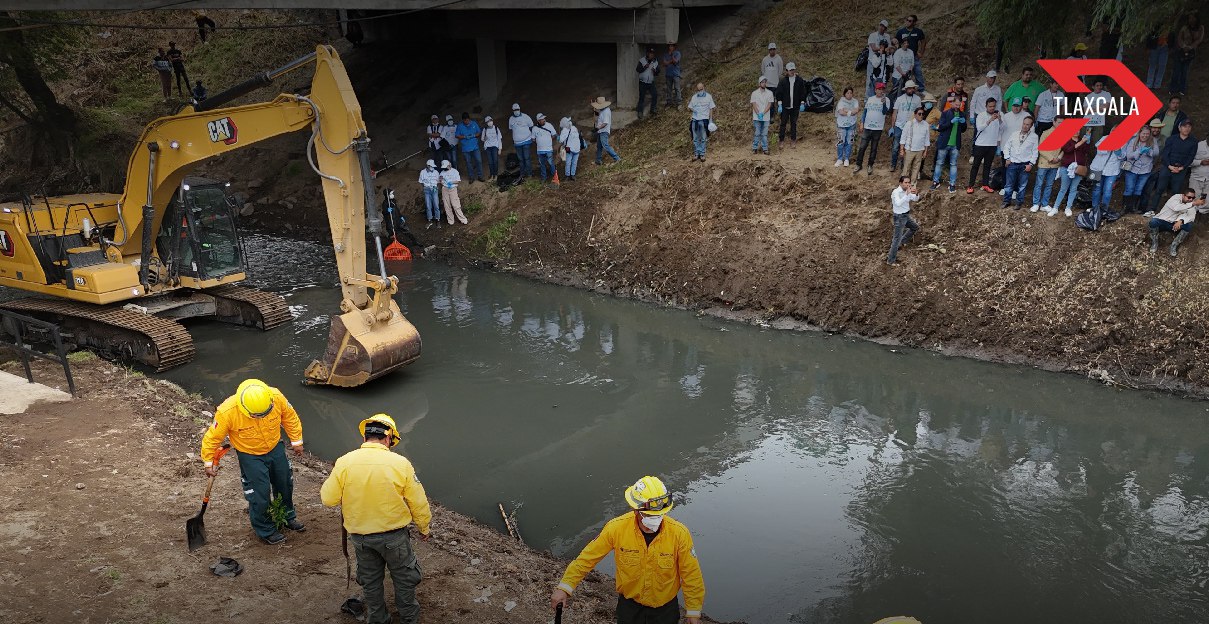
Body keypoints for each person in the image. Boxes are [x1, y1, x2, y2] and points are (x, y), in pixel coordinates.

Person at [321, 414, 431, 624]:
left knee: (370, 582)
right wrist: (424, 527)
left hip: (361, 538)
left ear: (365, 437)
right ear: (389, 439)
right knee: (404, 579)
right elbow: (418, 501)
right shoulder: (401, 463)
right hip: (394, 538)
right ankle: (409, 619)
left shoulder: (345, 462)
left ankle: (379, 619)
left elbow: (328, 499)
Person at [550, 476, 705, 624]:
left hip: (665, 611)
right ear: (635, 509)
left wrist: (693, 611)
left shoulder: (679, 534)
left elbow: (691, 574)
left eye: (659, 515)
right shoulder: (616, 528)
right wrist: (564, 587)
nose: (655, 521)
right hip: (629, 608)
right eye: (649, 516)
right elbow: (586, 559)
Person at [200, 379, 304, 545]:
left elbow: (290, 417)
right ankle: (265, 529)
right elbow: (212, 438)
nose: (261, 417)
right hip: (250, 455)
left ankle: (286, 516)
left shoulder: (276, 396)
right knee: (259, 493)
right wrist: (208, 461)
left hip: (275, 447)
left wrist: (297, 441)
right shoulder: (227, 411)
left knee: (284, 483)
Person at [1148, 119, 1198, 213]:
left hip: (1181, 170)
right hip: (1167, 168)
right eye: (1184, 126)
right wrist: (1169, 166)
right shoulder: (1171, 139)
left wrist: (1182, 167)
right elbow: (1165, 154)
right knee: (1159, 189)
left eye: (1189, 127)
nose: (1186, 129)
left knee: (1176, 192)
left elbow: (1191, 156)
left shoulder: (1193, 141)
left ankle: (1171, 212)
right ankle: (1152, 209)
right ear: (1179, 128)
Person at [1149, 190, 1203, 256]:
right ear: (1183, 195)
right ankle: (1154, 243)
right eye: (1189, 197)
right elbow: (1176, 208)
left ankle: (1174, 246)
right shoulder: (1175, 198)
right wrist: (1193, 203)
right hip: (1163, 222)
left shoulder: (1191, 203)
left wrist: (1180, 221)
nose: (1191, 199)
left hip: (1174, 226)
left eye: (1193, 198)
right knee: (1153, 221)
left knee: (1189, 226)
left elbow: (1191, 216)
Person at [1052, 131, 1093, 217]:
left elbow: (1086, 151)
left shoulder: (1082, 140)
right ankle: (1055, 208)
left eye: (1078, 129)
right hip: (1066, 168)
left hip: (1078, 168)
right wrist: (1081, 142)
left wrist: (1087, 142)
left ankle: (1068, 207)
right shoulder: (1066, 140)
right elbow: (1067, 150)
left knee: (1073, 189)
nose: (1077, 131)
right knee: (1063, 189)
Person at [1002, 115, 1038, 208]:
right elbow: (1007, 146)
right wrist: (1007, 158)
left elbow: (1035, 152)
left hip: (1025, 165)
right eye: (1024, 124)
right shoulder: (1014, 134)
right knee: (1009, 184)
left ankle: (1019, 203)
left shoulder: (1034, 137)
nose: (1025, 126)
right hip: (1012, 163)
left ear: (1031, 126)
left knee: (1022, 186)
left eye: (1028, 125)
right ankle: (1006, 201)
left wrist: (1031, 164)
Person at [854, 82, 890, 175]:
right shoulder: (870, 99)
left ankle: (870, 165)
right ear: (875, 90)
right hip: (867, 127)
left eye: (882, 89)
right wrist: (862, 123)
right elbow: (865, 112)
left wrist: (884, 103)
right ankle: (858, 164)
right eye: (879, 89)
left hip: (877, 129)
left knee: (874, 148)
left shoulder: (886, 100)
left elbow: (885, 112)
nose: (880, 91)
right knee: (862, 147)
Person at [1121, 125, 1159, 213]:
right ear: (1139, 133)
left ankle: (1133, 208)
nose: (1145, 135)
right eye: (1143, 133)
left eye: (1147, 134)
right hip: (1132, 169)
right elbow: (1129, 155)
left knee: (1138, 189)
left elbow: (1156, 153)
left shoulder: (1153, 140)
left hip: (1145, 170)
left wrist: (1149, 151)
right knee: (1129, 188)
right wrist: (1139, 152)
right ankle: (1125, 208)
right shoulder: (1133, 141)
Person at [930, 100, 966, 192]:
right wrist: (951, 122)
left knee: (953, 164)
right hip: (944, 142)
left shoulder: (962, 114)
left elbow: (963, 130)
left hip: (955, 144)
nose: (957, 106)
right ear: (951, 104)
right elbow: (941, 127)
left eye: (959, 105)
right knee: (939, 163)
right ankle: (935, 182)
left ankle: (952, 184)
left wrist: (963, 123)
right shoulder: (945, 113)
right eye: (956, 104)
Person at [968, 98, 1002, 193]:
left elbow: (1002, 129)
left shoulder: (999, 115)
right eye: (990, 106)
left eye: (993, 106)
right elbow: (979, 127)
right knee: (976, 165)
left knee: (987, 166)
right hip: (980, 144)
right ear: (986, 106)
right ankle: (970, 185)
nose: (992, 108)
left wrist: (1000, 120)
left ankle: (985, 184)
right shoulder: (981, 115)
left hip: (992, 145)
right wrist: (990, 120)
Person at [1032, 117, 1064, 214]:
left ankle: (1044, 204)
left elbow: (1065, 149)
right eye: (1059, 122)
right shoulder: (1046, 133)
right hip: (1044, 162)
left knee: (1049, 185)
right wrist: (1051, 158)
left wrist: (1059, 158)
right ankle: (1036, 203)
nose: (1060, 124)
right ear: (1054, 122)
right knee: (1039, 184)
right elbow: (1041, 148)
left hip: (1056, 164)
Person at [888, 80, 921, 172]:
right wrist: (892, 126)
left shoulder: (917, 99)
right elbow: (894, 113)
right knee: (895, 147)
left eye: (912, 88)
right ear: (906, 89)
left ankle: (903, 165)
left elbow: (919, 113)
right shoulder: (900, 99)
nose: (911, 90)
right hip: (899, 126)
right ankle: (893, 164)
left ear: (914, 89)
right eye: (909, 88)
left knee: (907, 147)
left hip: (911, 127)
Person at [1088, 132, 1124, 215]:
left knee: (1107, 191)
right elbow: (1098, 149)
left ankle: (1104, 210)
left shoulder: (1123, 141)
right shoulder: (1104, 138)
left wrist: (1119, 152)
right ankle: (1095, 208)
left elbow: (1123, 157)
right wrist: (1109, 146)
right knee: (1096, 189)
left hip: (1112, 171)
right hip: (1098, 169)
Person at [887, 175, 919, 265]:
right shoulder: (896, 192)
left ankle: (903, 241)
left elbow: (915, 199)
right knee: (896, 239)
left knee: (915, 227)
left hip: (906, 215)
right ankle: (890, 260)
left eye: (909, 182)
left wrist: (916, 193)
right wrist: (906, 194)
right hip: (899, 217)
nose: (908, 184)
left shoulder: (907, 191)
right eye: (906, 182)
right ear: (900, 183)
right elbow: (898, 203)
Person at [1171, 13, 1204, 96]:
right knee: (1177, 70)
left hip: (1191, 52)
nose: (1191, 20)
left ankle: (1182, 89)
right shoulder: (1185, 28)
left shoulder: (1200, 28)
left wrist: (1190, 47)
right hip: (1180, 51)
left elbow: (1199, 39)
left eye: (1193, 18)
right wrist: (1183, 46)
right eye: (1190, 18)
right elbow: (1179, 38)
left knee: (1185, 71)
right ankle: (1173, 88)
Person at [776, 62, 807, 146]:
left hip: (795, 106)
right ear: (787, 71)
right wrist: (779, 104)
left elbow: (803, 92)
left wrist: (802, 103)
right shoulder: (783, 81)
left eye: (793, 69)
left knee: (794, 123)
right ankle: (781, 140)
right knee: (783, 123)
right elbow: (779, 93)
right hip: (785, 106)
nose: (792, 71)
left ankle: (793, 139)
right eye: (790, 70)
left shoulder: (799, 80)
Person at [895, 14, 926, 90]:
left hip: (914, 56)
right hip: (903, 58)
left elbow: (923, 41)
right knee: (904, 75)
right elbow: (895, 40)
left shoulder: (918, 31)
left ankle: (921, 89)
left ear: (914, 22)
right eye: (907, 20)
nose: (907, 22)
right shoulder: (901, 31)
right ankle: (902, 89)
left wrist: (921, 52)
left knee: (918, 73)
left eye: (910, 21)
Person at [899, 106, 931, 180]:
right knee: (906, 168)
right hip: (909, 150)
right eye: (919, 114)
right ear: (915, 114)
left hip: (920, 150)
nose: (921, 116)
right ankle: (903, 186)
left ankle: (913, 184)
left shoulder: (926, 124)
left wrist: (925, 151)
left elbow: (927, 139)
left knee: (916, 169)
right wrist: (901, 149)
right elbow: (903, 137)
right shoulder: (909, 124)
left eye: (923, 114)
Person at [689, 83, 716, 162]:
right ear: (696, 90)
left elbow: (711, 108)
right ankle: (696, 153)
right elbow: (690, 107)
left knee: (703, 138)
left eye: (701, 89)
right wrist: (693, 110)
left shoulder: (708, 96)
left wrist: (710, 120)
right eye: (698, 90)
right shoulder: (694, 97)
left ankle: (702, 154)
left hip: (704, 120)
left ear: (704, 88)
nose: (700, 91)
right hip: (695, 120)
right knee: (695, 138)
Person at [508, 103, 536, 179]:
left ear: (520, 109)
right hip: (517, 143)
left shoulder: (526, 117)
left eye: (517, 109)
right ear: (512, 110)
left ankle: (529, 174)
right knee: (520, 159)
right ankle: (522, 174)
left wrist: (531, 137)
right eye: (515, 110)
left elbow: (531, 127)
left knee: (527, 158)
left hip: (526, 141)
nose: (516, 111)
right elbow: (512, 130)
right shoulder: (511, 119)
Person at [969, 70, 1001, 137]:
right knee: (977, 132)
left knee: (990, 132)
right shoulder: (979, 89)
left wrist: (998, 112)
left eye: (994, 78)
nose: (992, 80)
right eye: (990, 77)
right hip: (979, 114)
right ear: (987, 78)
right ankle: (975, 147)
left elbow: (999, 102)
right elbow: (973, 103)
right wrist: (971, 116)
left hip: (991, 114)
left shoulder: (997, 89)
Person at [835, 86, 861, 166]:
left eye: (851, 93)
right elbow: (840, 112)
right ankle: (839, 159)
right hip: (842, 124)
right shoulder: (841, 101)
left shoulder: (855, 101)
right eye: (847, 93)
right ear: (845, 94)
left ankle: (846, 159)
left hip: (851, 124)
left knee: (849, 142)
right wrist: (850, 112)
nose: (849, 94)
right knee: (841, 142)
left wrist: (846, 110)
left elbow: (856, 110)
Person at [455, 113, 484, 182]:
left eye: (467, 120)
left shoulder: (474, 123)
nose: (466, 122)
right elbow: (456, 135)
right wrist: (464, 137)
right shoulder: (460, 126)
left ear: (469, 119)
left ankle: (480, 176)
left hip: (475, 147)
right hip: (465, 148)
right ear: (463, 120)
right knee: (468, 163)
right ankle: (471, 177)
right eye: (465, 121)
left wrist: (473, 135)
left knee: (479, 161)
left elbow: (479, 132)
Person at [866, 20, 892, 97]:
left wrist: (888, 50)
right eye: (881, 25)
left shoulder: (887, 36)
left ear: (886, 29)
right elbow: (873, 48)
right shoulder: (872, 35)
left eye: (884, 27)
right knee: (870, 80)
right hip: (872, 60)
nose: (882, 27)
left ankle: (880, 98)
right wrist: (882, 49)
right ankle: (867, 98)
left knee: (883, 79)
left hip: (884, 61)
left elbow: (889, 47)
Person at [592, 96, 621, 164]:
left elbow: (605, 123)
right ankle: (598, 160)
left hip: (604, 131)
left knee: (605, 145)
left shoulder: (606, 112)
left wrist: (597, 128)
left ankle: (617, 158)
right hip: (600, 131)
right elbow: (601, 115)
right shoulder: (603, 110)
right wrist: (596, 113)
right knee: (599, 146)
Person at [751, 76, 775, 155]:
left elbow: (769, 104)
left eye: (765, 82)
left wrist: (763, 113)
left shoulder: (770, 93)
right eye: (762, 82)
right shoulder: (754, 93)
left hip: (766, 117)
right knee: (757, 133)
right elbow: (754, 104)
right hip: (757, 116)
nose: (764, 84)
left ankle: (765, 149)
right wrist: (758, 113)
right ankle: (754, 148)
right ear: (759, 83)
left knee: (764, 134)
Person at [439, 160, 468, 225]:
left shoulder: (455, 171)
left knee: (456, 205)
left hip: (453, 189)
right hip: (445, 189)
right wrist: (442, 181)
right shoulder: (442, 172)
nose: (445, 168)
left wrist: (451, 182)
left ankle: (463, 219)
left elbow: (458, 181)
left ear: (449, 165)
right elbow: (440, 180)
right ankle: (450, 220)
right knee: (447, 205)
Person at [1083, 80, 1111, 145]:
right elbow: (1086, 111)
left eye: (1100, 85)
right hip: (1088, 122)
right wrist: (1099, 107)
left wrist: (1092, 108)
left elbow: (1105, 108)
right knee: (1086, 141)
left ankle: (1095, 155)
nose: (1099, 87)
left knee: (1097, 142)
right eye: (1097, 86)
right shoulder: (1088, 96)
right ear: (1093, 87)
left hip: (1099, 123)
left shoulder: (1106, 94)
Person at [636, 48, 660, 120]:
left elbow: (658, 72)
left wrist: (655, 71)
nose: (651, 55)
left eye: (652, 54)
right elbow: (638, 69)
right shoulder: (642, 60)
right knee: (642, 97)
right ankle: (640, 112)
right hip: (642, 82)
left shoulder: (655, 62)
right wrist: (644, 67)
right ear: (647, 53)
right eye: (650, 53)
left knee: (655, 94)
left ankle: (653, 109)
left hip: (650, 82)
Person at [533, 113, 558, 181]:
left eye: (544, 118)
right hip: (540, 150)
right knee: (542, 164)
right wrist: (539, 141)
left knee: (551, 163)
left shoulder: (549, 125)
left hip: (548, 149)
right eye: (542, 119)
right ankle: (544, 177)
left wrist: (549, 139)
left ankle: (554, 176)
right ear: (538, 121)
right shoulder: (534, 128)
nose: (544, 120)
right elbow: (533, 138)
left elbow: (554, 134)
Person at [418, 159, 441, 226]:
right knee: (428, 205)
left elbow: (439, 181)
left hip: (434, 189)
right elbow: (421, 181)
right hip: (427, 190)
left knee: (436, 204)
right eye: (430, 166)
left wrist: (436, 187)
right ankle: (429, 220)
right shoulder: (422, 172)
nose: (432, 167)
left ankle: (438, 219)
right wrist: (425, 187)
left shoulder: (436, 172)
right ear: (427, 165)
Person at [662, 42, 682, 108]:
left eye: (672, 46)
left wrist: (671, 56)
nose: (670, 47)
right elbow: (664, 64)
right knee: (669, 89)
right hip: (668, 74)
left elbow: (675, 61)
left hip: (676, 74)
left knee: (677, 88)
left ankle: (679, 103)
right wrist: (670, 61)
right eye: (669, 46)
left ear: (674, 47)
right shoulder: (665, 54)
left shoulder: (677, 53)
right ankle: (669, 102)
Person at [1190, 135, 1209, 200]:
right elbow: (1188, 162)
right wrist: (1200, 162)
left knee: (1205, 201)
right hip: (1196, 179)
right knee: (1193, 199)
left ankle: (1202, 210)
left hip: (1208, 180)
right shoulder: (1198, 145)